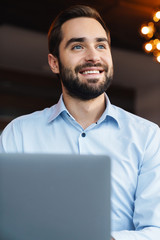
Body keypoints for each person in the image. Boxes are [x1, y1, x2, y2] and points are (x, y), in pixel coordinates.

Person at [0, 4, 160, 240]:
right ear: (54, 62)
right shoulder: (19, 133)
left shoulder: (148, 137)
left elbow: (155, 230)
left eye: (101, 45)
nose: (93, 56)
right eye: (77, 46)